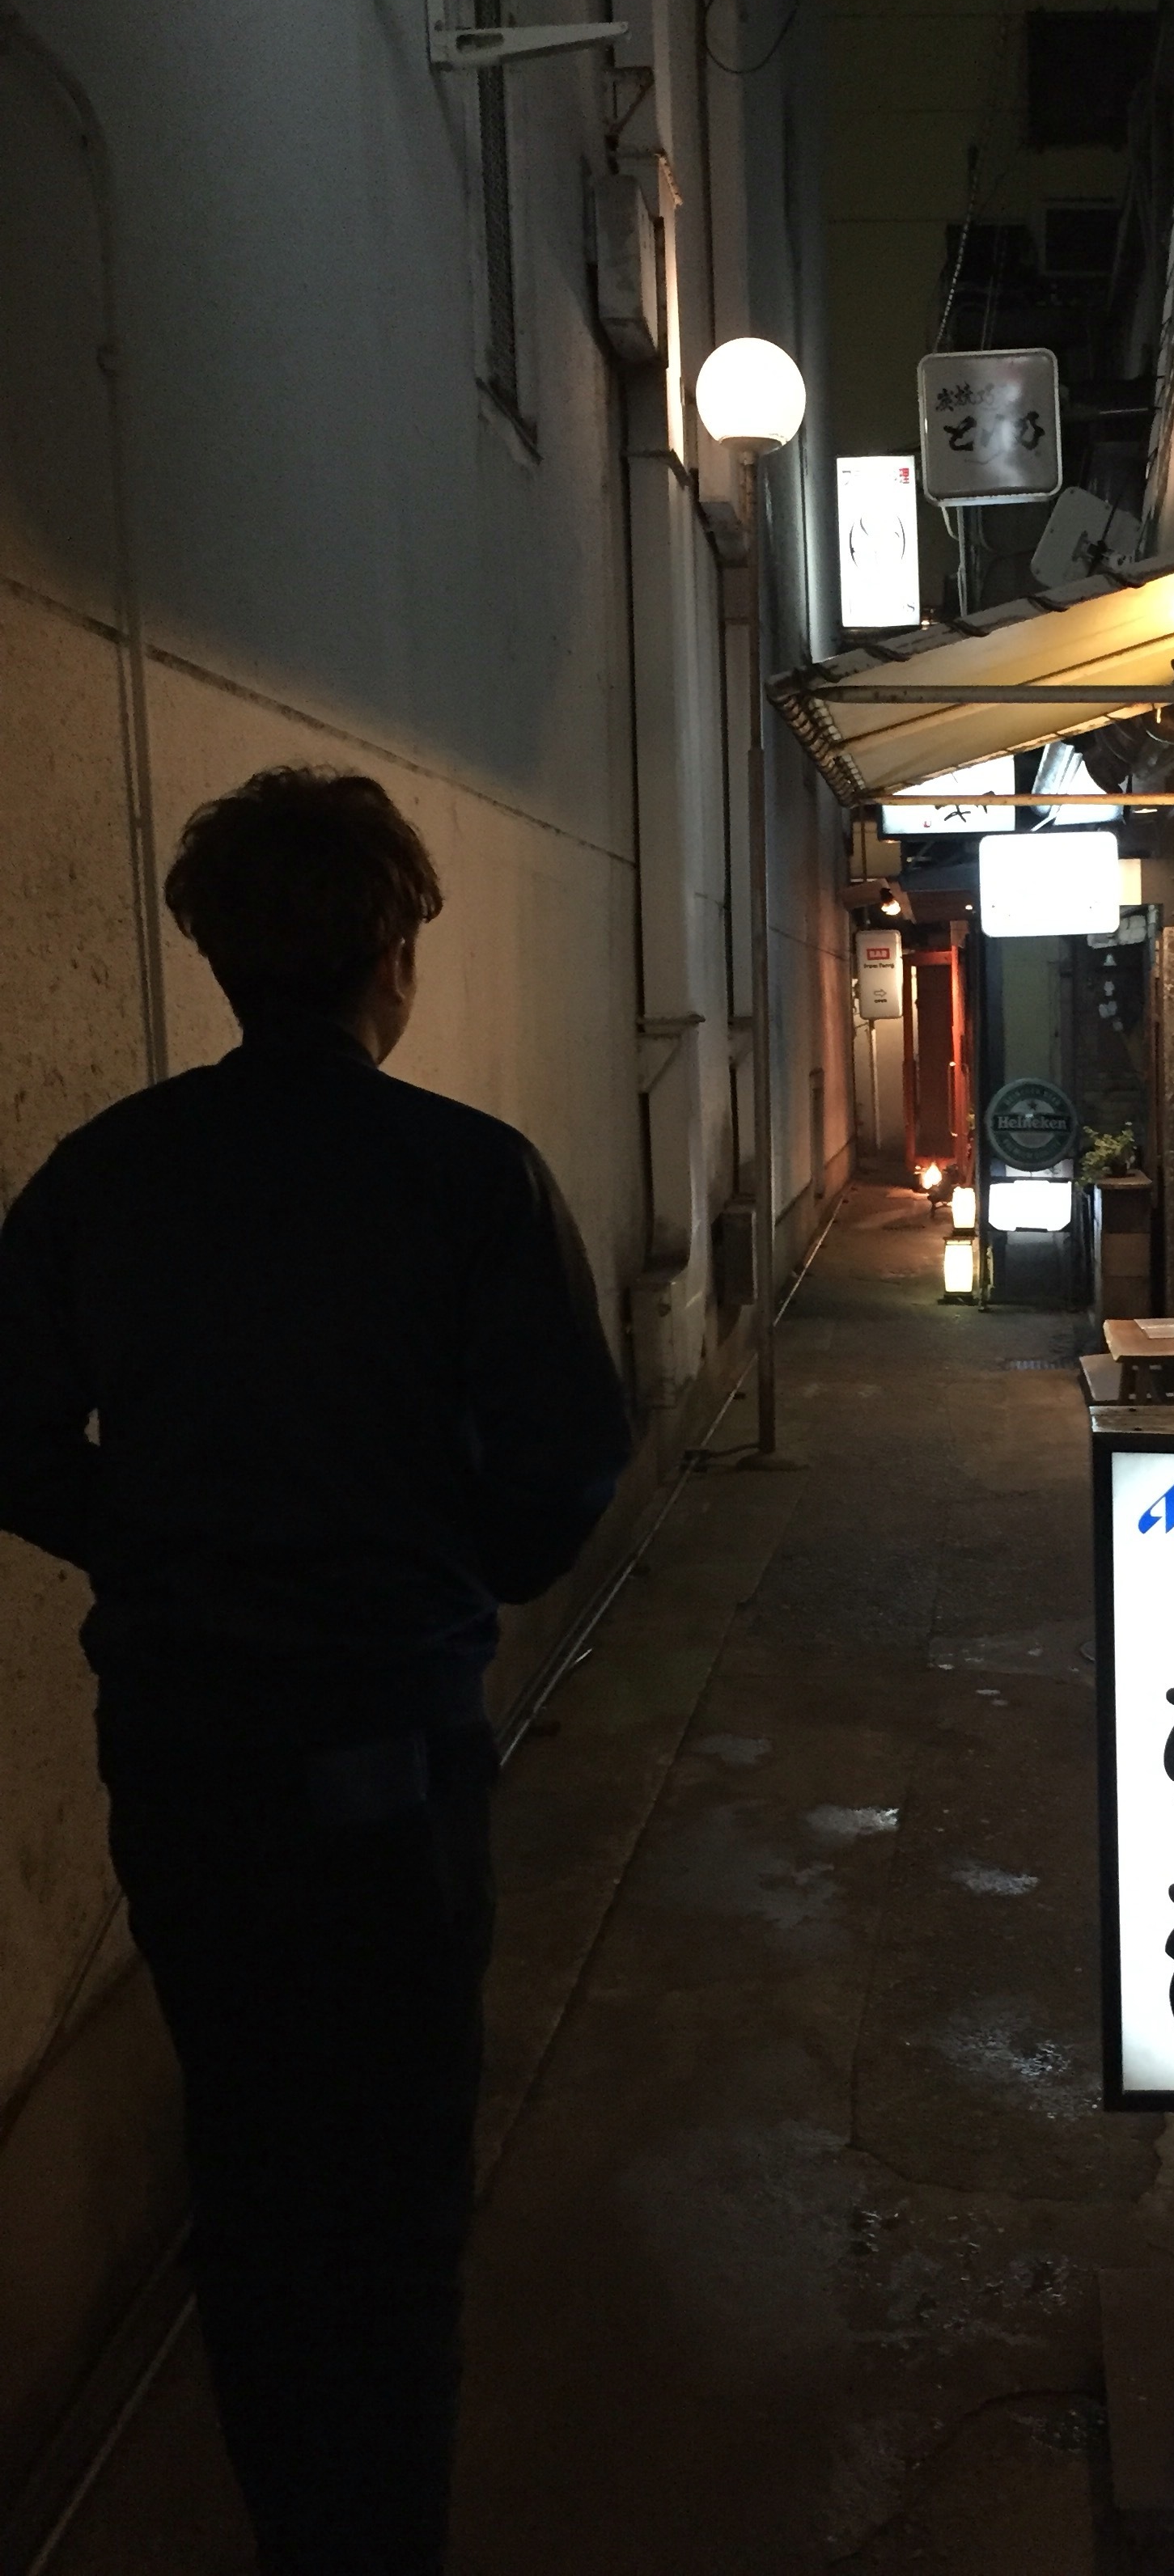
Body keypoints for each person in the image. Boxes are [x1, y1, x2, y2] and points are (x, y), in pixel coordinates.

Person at [0, 767, 632, 2575]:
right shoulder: (465, 1178)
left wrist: (149, 1541)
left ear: (217, 954)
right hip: (388, 1755)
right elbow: (567, 1461)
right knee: (394, 2185)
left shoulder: (109, 1174)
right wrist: (446, 1559)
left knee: (253, 2157)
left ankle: (296, 2526)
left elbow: (8, 1429)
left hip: (184, 1753)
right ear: (390, 950)